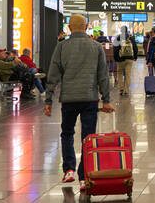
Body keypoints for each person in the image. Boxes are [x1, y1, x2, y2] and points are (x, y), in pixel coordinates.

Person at [44, 13, 114, 185]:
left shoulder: (61, 47)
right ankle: (84, 175)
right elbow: (103, 76)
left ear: (68, 28)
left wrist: (48, 100)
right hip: (90, 98)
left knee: (67, 133)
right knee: (88, 136)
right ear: (86, 26)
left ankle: (69, 169)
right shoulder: (96, 47)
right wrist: (106, 99)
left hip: (68, 99)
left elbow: (53, 74)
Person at [113, 27, 139, 96]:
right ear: (127, 31)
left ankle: (121, 89)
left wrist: (116, 58)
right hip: (129, 58)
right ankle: (127, 90)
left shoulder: (118, 38)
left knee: (120, 73)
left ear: (121, 31)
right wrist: (135, 57)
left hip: (120, 58)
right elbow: (135, 48)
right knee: (128, 74)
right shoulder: (131, 38)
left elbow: (115, 49)